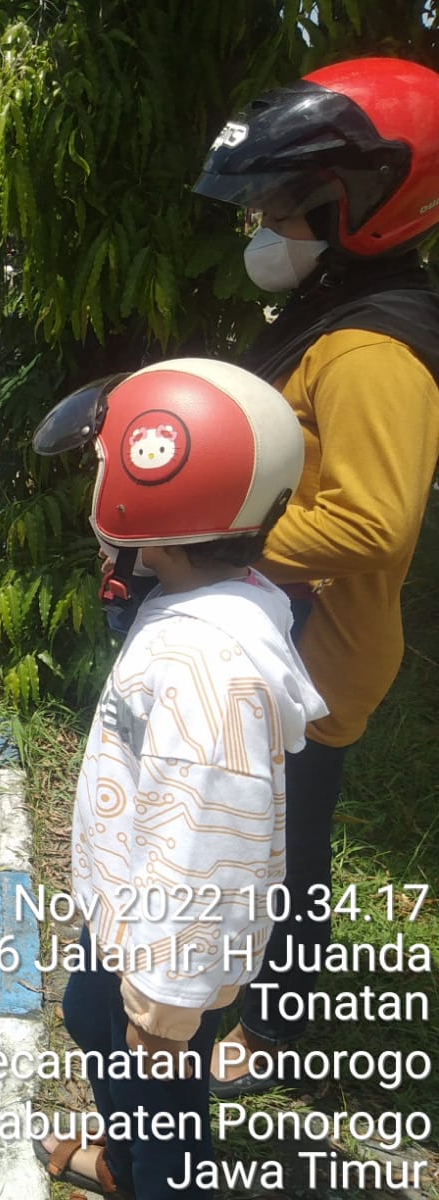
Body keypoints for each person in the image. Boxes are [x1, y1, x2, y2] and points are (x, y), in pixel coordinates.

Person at [191, 56, 439, 1096]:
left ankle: (284, 1034)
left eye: (289, 206)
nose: (268, 224)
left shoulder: (375, 344)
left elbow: (373, 521)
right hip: (282, 637)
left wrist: (218, 545)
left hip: (318, 655)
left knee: (285, 858)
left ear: (373, 203)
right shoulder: (333, 312)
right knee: (257, 839)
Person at [29, 359, 328, 1198]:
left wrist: (164, 1008)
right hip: (134, 916)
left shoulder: (205, 664)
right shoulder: (208, 597)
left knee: (156, 1091)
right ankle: (129, 1156)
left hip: (164, 950)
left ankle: (149, 1175)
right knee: (90, 1015)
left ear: (149, 485)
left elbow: (208, 842)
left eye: (104, 464)